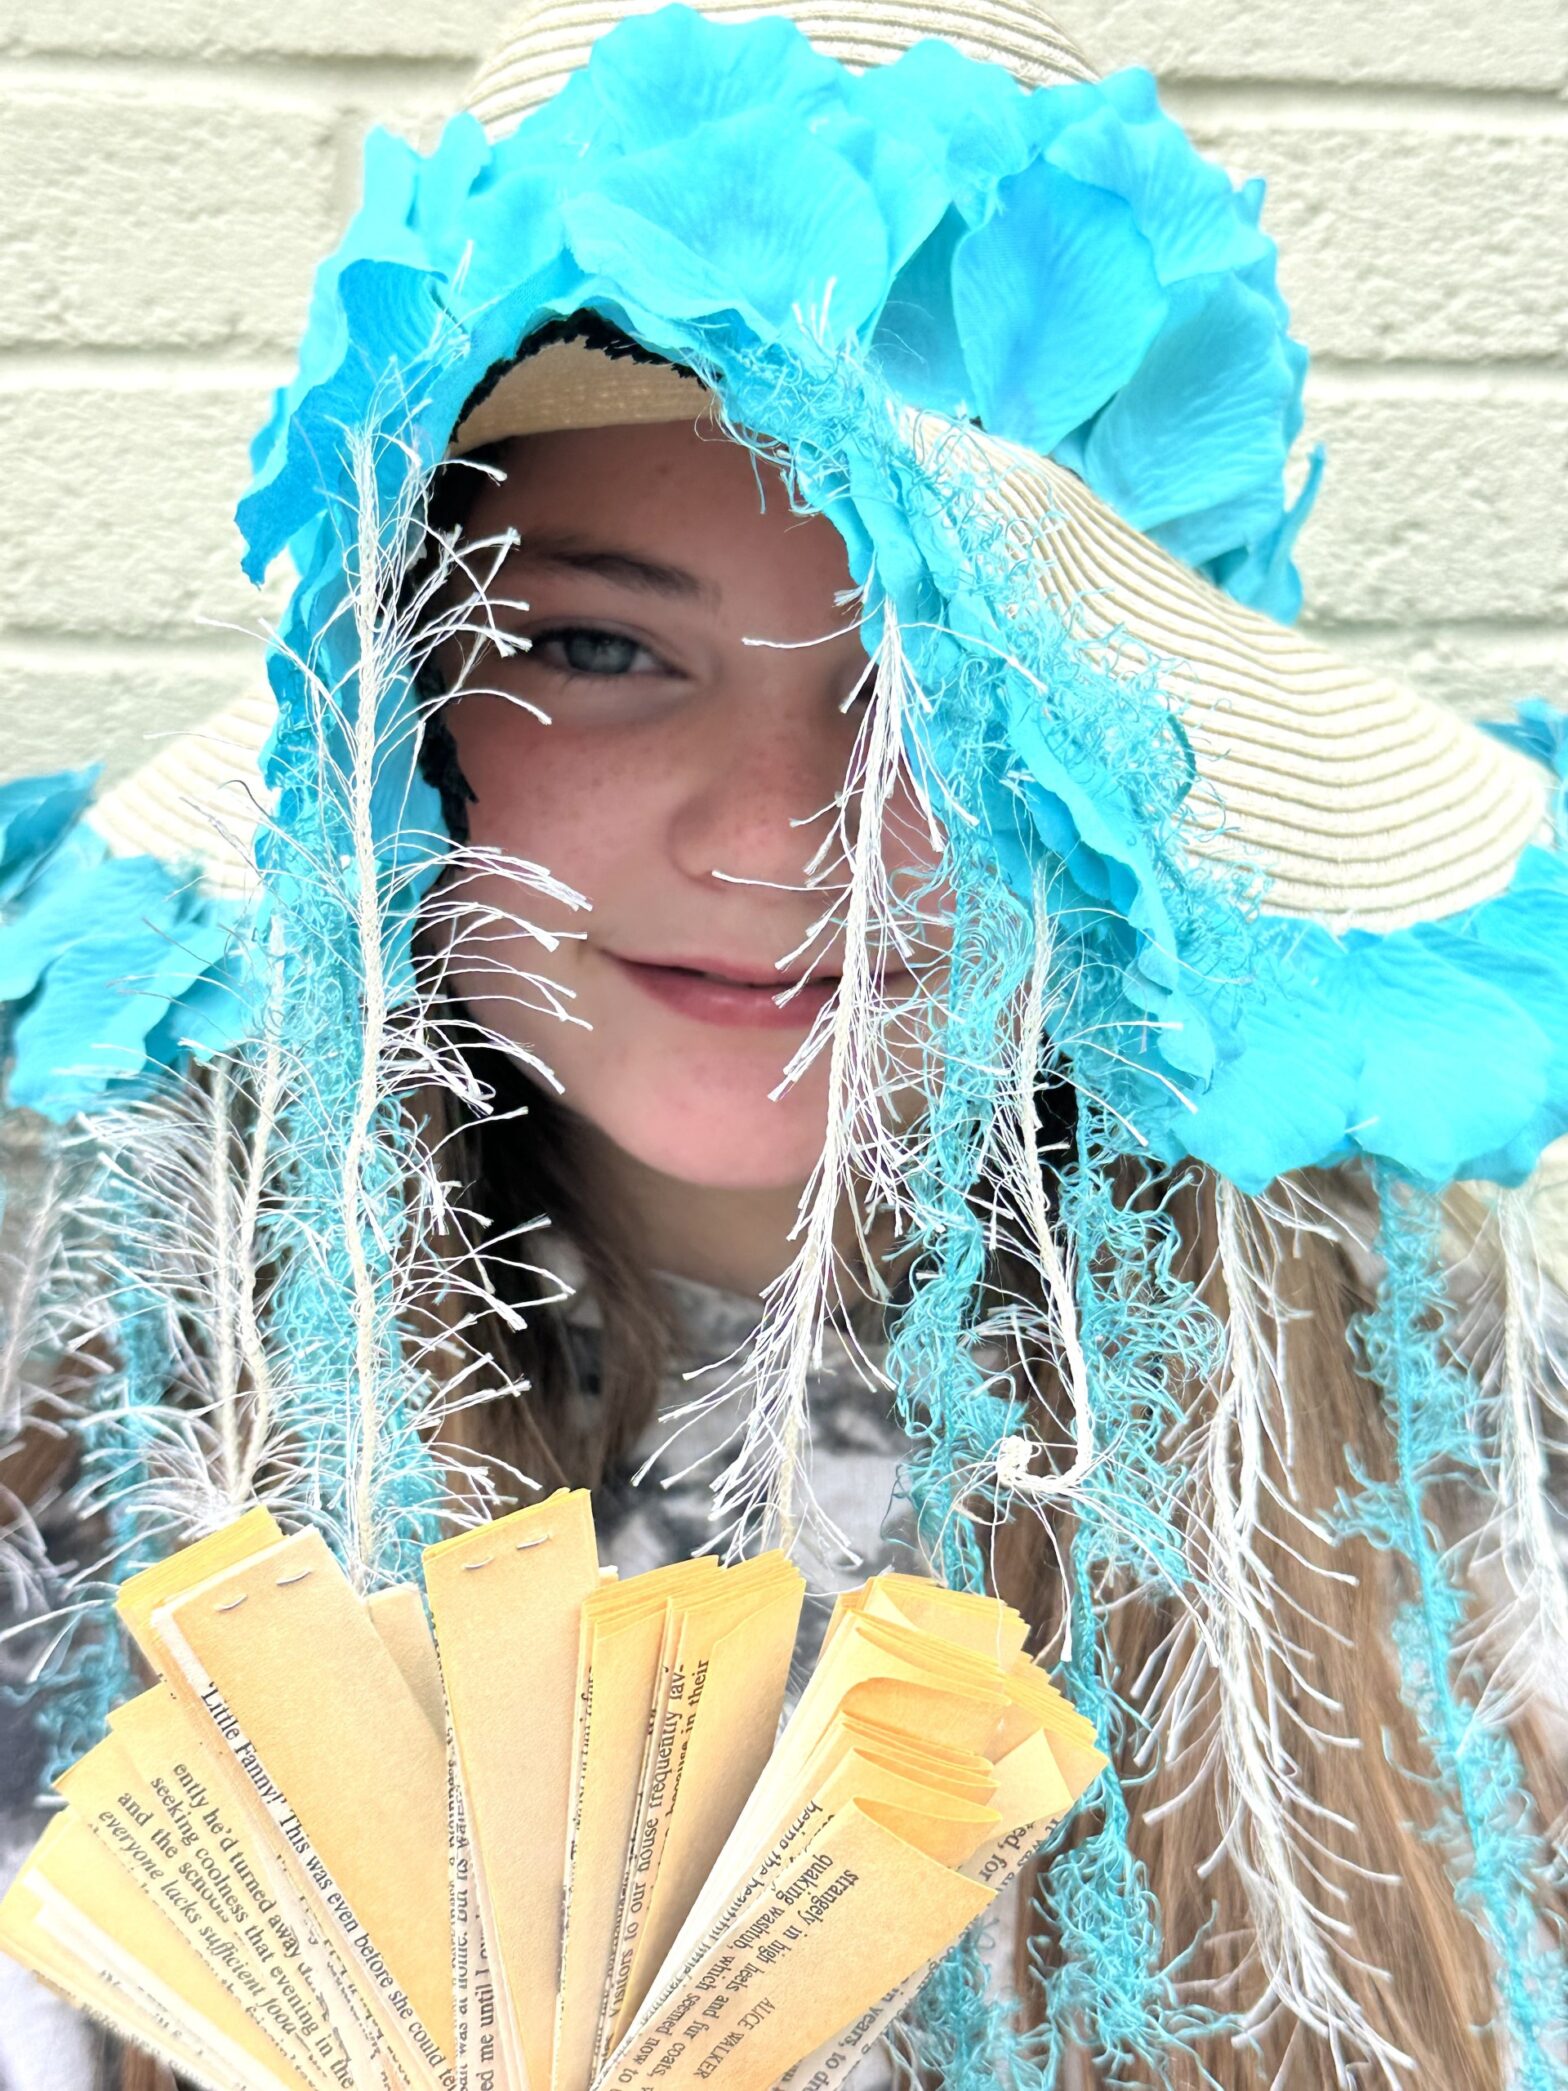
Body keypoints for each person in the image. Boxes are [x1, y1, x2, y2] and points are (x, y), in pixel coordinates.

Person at [1, 4, 1565, 2088]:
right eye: (595, 647)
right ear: (409, 720)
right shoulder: (100, 1436)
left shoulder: (1466, 1465)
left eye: (942, 674)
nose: (776, 838)